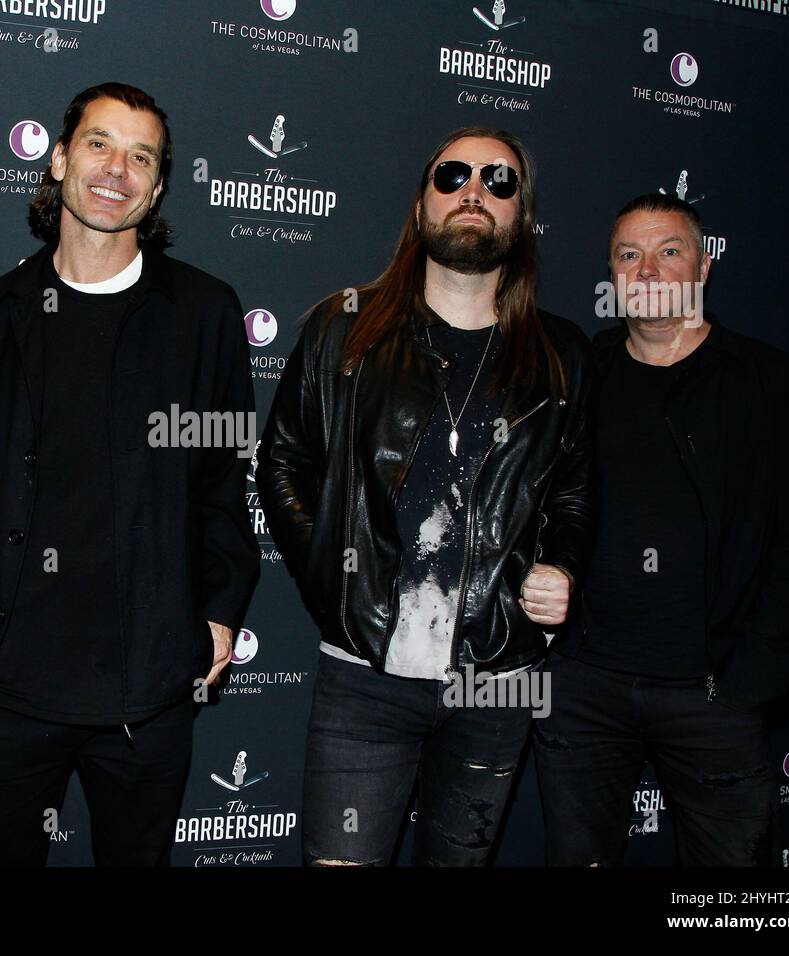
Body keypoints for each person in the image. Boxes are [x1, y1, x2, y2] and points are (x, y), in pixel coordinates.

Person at [0, 82, 259, 867]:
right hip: (10, 688)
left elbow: (223, 479)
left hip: (148, 687)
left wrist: (217, 612)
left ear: (159, 183)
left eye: (141, 155)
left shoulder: (203, 312)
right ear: (60, 158)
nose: (118, 168)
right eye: (101, 144)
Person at [256, 126, 593, 866]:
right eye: (454, 175)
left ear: (522, 215)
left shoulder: (562, 354)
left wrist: (562, 567)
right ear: (421, 205)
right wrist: (337, 578)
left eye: (500, 181)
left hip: (494, 682)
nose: (475, 191)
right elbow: (283, 464)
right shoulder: (343, 328)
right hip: (362, 676)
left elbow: (574, 490)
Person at [533, 193, 789, 866]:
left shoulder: (770, 384)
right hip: (585, 690)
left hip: (715, 693)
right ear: (610, 273)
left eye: (669, 251)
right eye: (629, 255)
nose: (648, 270)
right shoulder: (580, 376)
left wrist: (750, 686)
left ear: (704, 265)